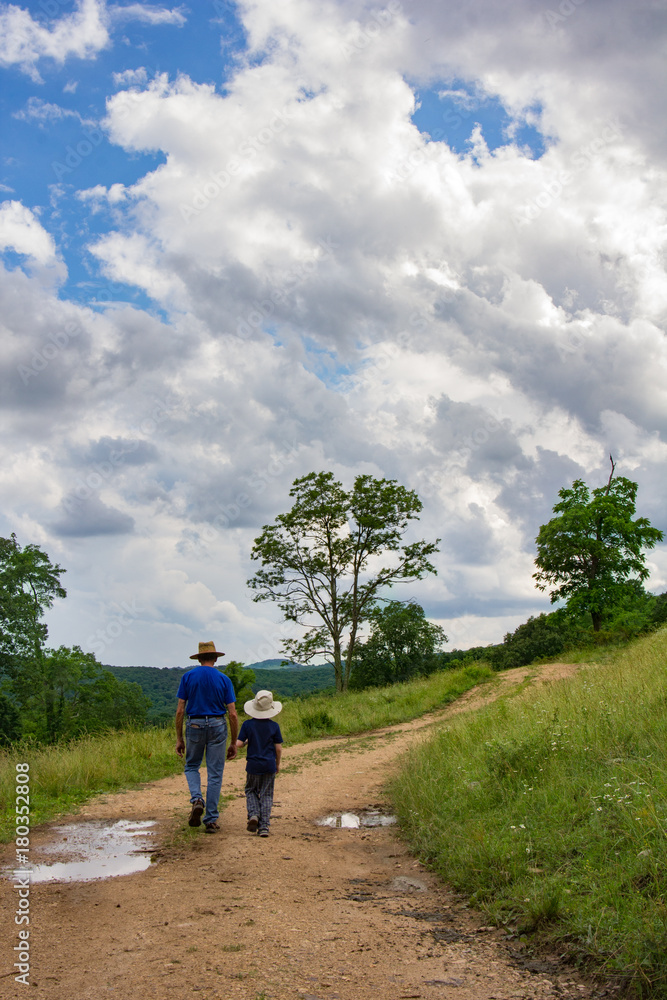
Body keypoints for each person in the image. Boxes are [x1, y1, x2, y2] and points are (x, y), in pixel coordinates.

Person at [175, 640, 239, 833]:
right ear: (215, 658)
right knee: (215, 773)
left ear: (199, 658)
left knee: (192, 766)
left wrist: (179, 739)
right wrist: (234, 742)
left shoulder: (187, 677)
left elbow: (180, 711)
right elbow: (233, 714)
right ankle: (210, 820)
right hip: (218, 724)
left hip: (194, 723)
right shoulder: (224, 679)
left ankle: (196, 799)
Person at [234, 690, 283, 838]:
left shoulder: (247, 725)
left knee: (251, 790)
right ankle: (264, 827)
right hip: (269, 764)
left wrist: (247, 741)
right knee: (267, 794)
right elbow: (278, 748)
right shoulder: (274, 726)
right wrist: (277, 764)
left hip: (253, 765)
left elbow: (239, 744)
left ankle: (254, 814)